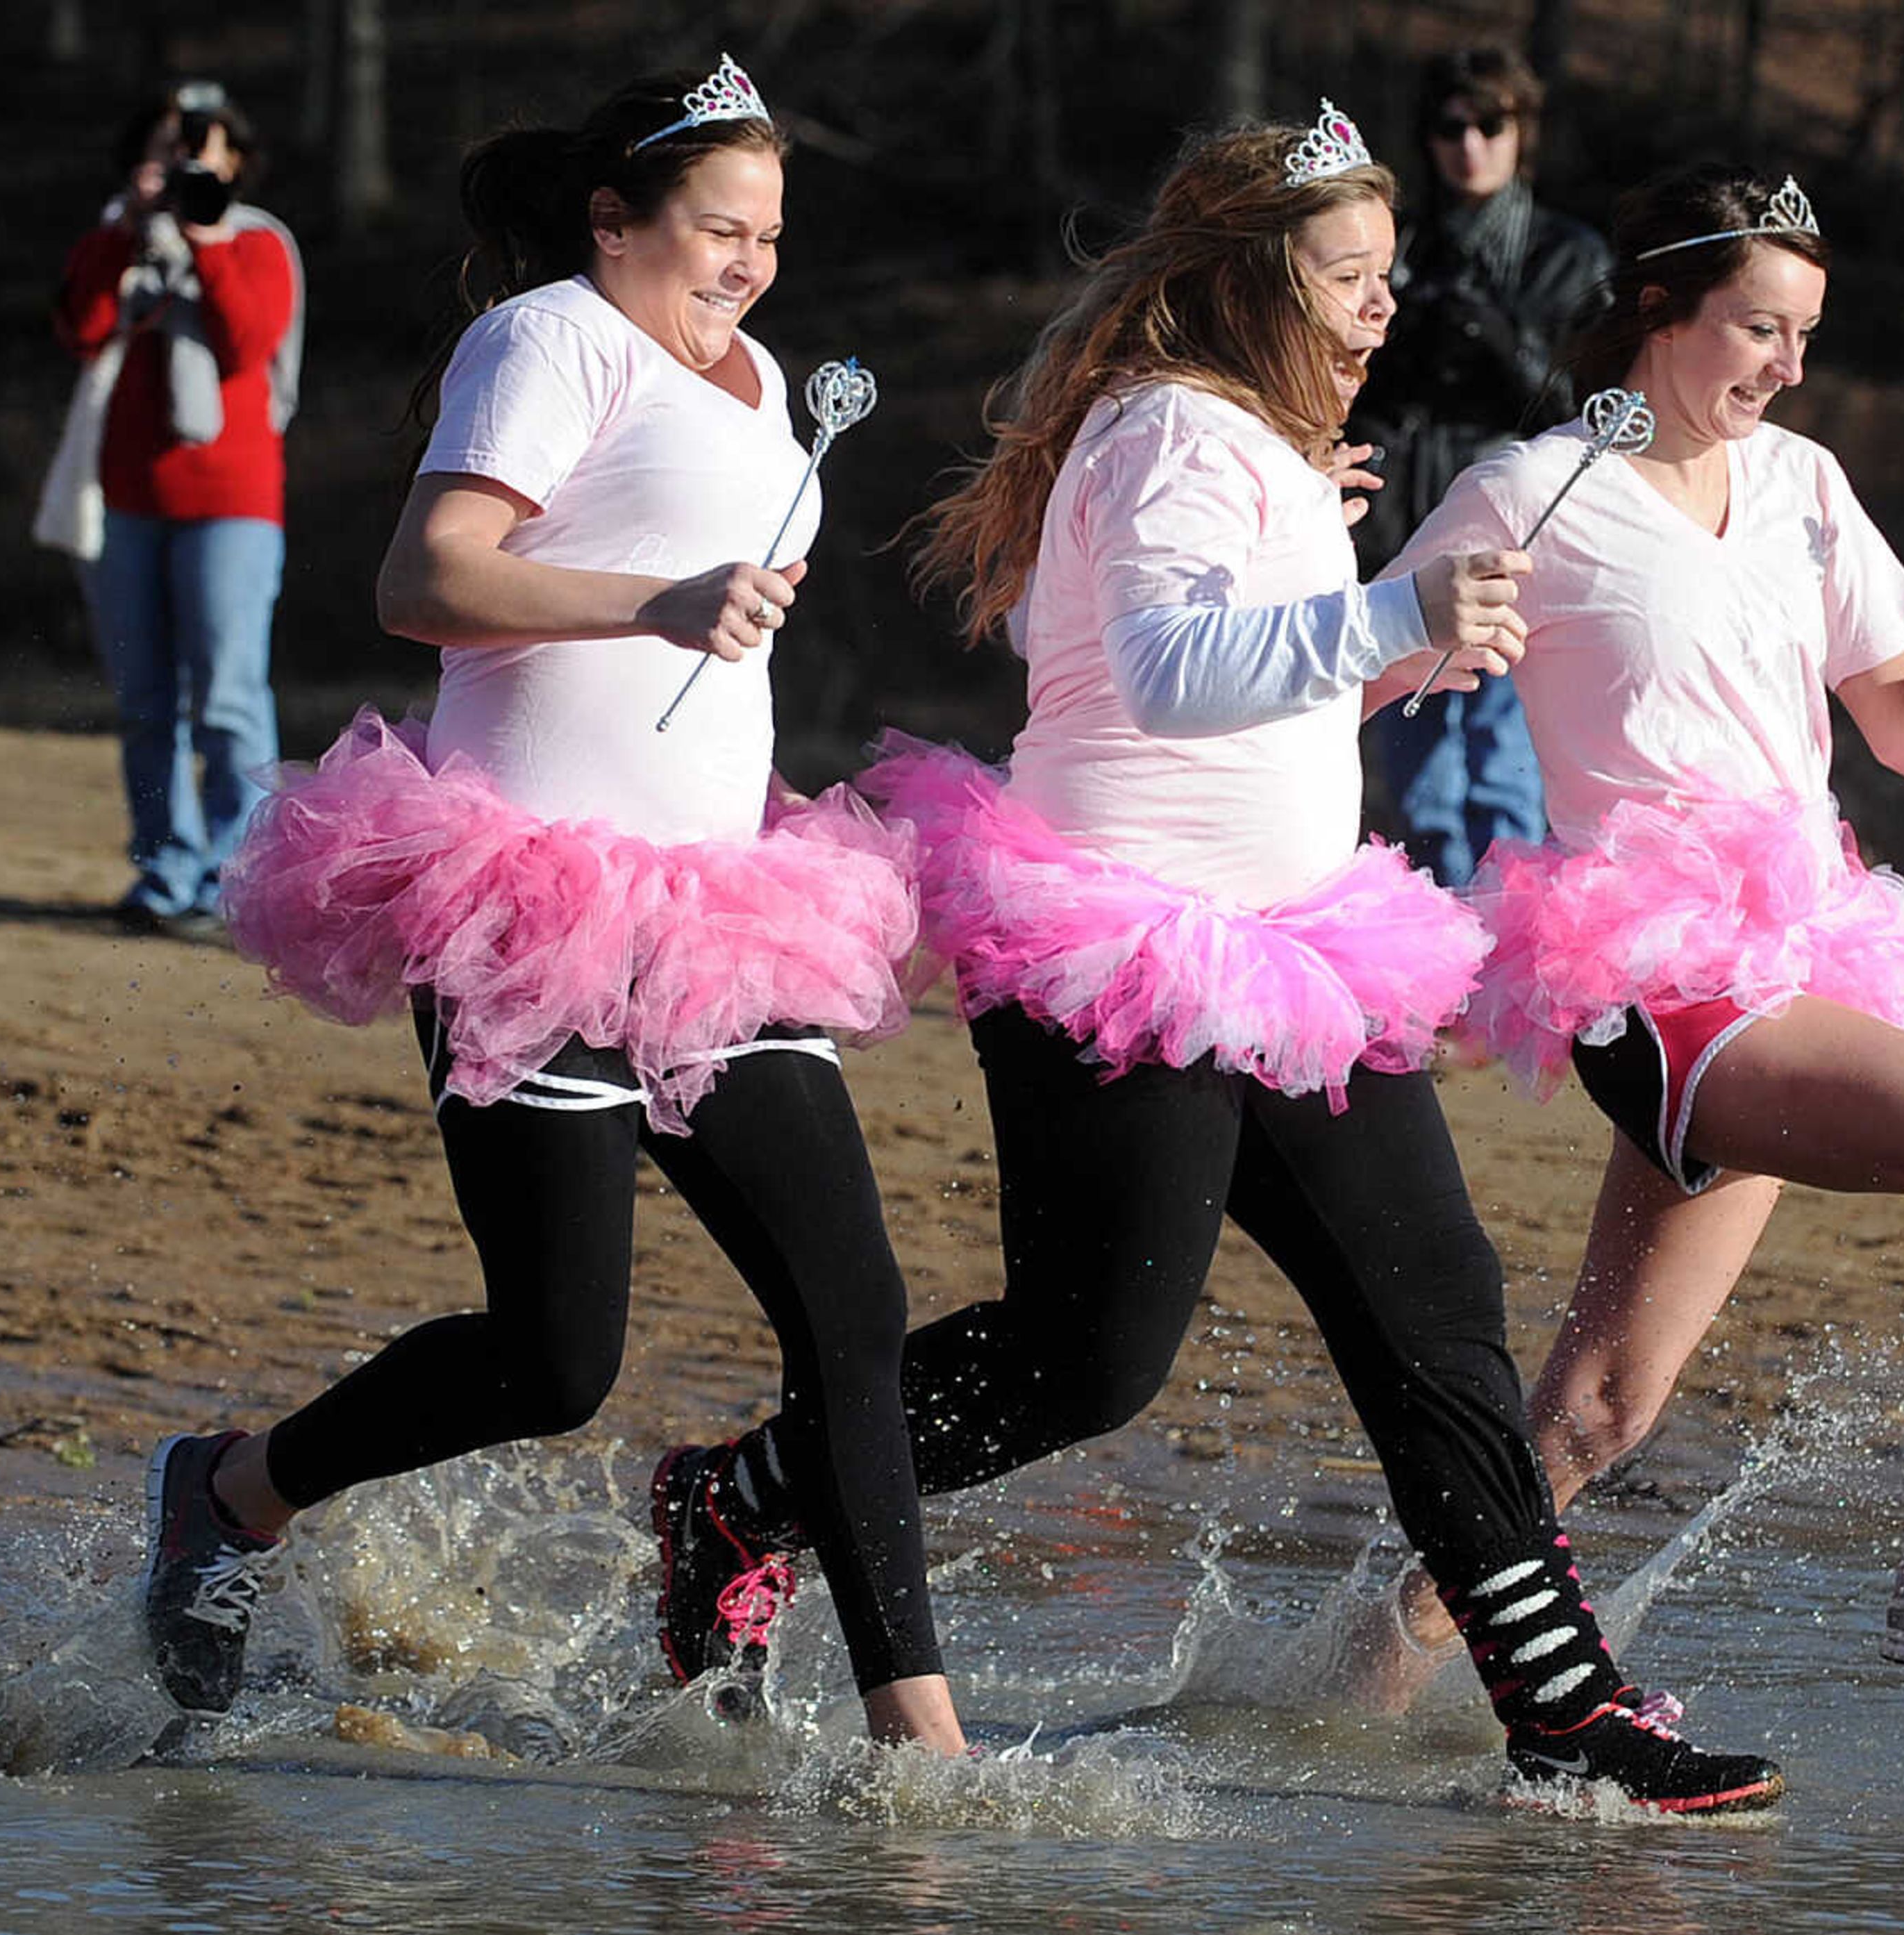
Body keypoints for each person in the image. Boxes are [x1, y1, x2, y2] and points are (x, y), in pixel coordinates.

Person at [647, 105, 1785, 1815]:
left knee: (1440, 1318)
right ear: (1252, 284)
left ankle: (1565, 1712)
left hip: (1298, 949)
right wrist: (1394, 611)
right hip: (1121, 948)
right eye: (1346, 278)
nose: (1381, 307)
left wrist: (1392, 646)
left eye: (1389, 277)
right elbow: (1168, 676)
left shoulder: (1239, 441)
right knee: (1087, 1362)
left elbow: (1202, 672)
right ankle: (741, 1497)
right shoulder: (1169, 427)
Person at [135, 60, 967, 1755]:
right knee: (552, 1359)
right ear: (614, 217)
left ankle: (916, 1740)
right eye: (716, 228)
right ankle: (233, 1493)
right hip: (522, 900)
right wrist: (651, 601)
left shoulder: (761, 385)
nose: (746, 263)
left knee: (852, 1313)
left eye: (770, 237)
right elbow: (421, 579)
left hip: (719, 913)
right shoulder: (546, 341)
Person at [1382, 163, 1904, 1681]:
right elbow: (1355, 672)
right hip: (1652, 973)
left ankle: (1342, 1685)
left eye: (1804, 335)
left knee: (1597, 1413)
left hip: (1793, 948)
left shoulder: (1804, 482)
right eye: (1758, 328)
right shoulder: (1532, 490)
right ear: (1657, 314)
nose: (1789, 366)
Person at [42, 81, 303, 938]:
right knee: (144, 699)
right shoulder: (112, 241)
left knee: (228, 697)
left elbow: (245, 344)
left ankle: (236, 880)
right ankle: (165, 871)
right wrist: (130, 234)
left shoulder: (260, 244)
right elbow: (81, 330)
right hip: (125, 499)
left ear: (237, 161)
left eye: (205, 146)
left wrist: (205, 237)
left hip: (232, 502)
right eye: (167, 145)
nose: (185, 160)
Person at [1348, 47, 1610, 886]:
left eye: (1490, 125)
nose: (1469, 146)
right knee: (1418, 771)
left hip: (1520, 527)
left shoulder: (1567, 255)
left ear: (1521, 132)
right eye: (1449, 127)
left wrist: (1500, 341)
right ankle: (1442, 960)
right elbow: (1352, 388)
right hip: (1402, 525)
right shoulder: (1399, 244)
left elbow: (1592, 406)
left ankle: (1508, 953)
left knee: (1505, 766)